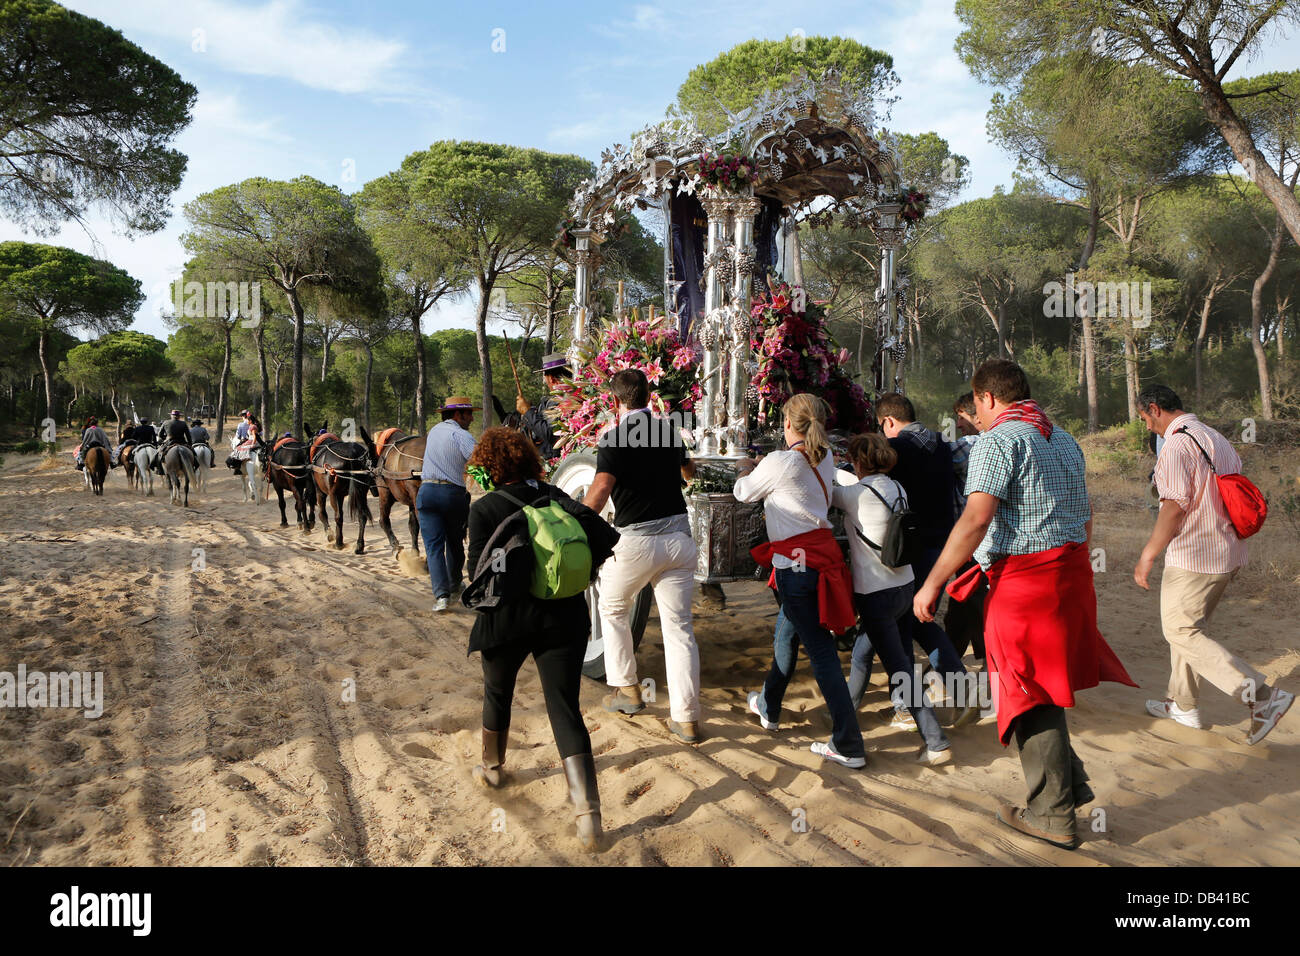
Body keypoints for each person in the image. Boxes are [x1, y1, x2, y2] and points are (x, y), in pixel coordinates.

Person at [914, 359, 1135, 851]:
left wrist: (932, 583)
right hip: (1069, 574)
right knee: (1043, 683)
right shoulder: (1063, 439)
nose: (975, 417)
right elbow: (1086, 513)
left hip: (1026, 579)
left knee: (1026, 688)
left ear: (987, 399)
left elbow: (974, 520)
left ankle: (1052, 815)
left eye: (975, 407)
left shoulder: (999, 440)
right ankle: (1067, 787)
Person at [462, 428, 618, 851]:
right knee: (565, 709)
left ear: (489, 466)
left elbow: (477, 570)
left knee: (498, 692)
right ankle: (588, 818)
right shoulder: (556, 497)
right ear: (530, 460)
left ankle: (493, 769)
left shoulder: (485, 507)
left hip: (507, 619)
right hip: (564, 617)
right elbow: (598, 540)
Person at [1134, 384, 1293, 744]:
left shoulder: (1175, 445)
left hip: (1195, 555)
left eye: (1144, 418)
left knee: (1181, 632)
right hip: (1227, 552)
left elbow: (1173, 507)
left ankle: (1263, 698)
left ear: (1155, 409)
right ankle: (1183, 705)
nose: (1146, 427)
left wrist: (1148, 555)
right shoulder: (1214, 437)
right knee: (1190, 630)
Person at [735, 393, 867, 769]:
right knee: (787, 632)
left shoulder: (782, 461)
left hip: (795, 567)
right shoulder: (826, 458)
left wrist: (745, 468)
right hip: (819, 559)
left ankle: (849, 742)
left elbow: (743, 493)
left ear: (787, 424)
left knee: (820, 651)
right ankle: (769, 705)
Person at [582, 368, 701, 744]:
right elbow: (689, 471)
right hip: (679, 540)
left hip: (636, 543)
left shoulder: (612, 439)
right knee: (679, 627)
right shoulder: (668, 431)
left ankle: (628, 691)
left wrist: (576, 519)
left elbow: (600, 491)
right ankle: (686, 720)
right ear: (649, 397)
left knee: (613, 607)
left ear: (616, 402)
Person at [833, 432, 951, 764]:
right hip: (904, 585)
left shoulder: (855, 494)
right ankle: (844, 715)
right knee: (862, 655)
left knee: (900, 669)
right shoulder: (896, 487)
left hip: (876, 594)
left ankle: (936, 740)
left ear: (857, 462)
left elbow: (830, 492)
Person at [876, 393, 973, 722]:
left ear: (889, 421)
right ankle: (961, 692)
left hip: (908, 547)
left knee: (904, 623)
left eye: (881, 427)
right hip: (941, 547)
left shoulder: (896, 449)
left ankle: (905, 705)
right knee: (921, 619)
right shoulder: (944, 443)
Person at [418, 396, 477, 611]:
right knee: (454, 543)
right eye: (468, 413)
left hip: (427, 493)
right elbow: (479, 458)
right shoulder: (462, 435)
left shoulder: (434, 431)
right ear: (457, 415)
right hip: (453, 494)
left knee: (433, 547)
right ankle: (454, 587)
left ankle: (441, 596)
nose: (471, 418)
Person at [944, 391, 987, 666]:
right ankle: (951, 663)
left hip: (974, 545)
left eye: (961, 418)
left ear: (975, 415)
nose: (958, 425)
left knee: (971, 603)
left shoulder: (970, 445)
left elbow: (936, 456)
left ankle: (948, 666)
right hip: (982, 545)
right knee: (968, 605)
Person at [519, 353, 571, 460]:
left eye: (545, 376)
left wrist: (527, 412)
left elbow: (550, 433)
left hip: (557, 459)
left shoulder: (558, 399)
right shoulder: (574, 394)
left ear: (551, 378)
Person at [154, 409, 193, 474]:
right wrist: (190, 444)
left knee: (158, 454)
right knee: (193, 453)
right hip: (182, 442)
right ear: (179, 416)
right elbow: (188, 436)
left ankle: (159, 470)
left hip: (169, 442)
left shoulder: (166, 422)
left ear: (171, 416)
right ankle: (194, 467)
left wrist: (164, 439)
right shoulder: (183, 423)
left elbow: (159, 434)